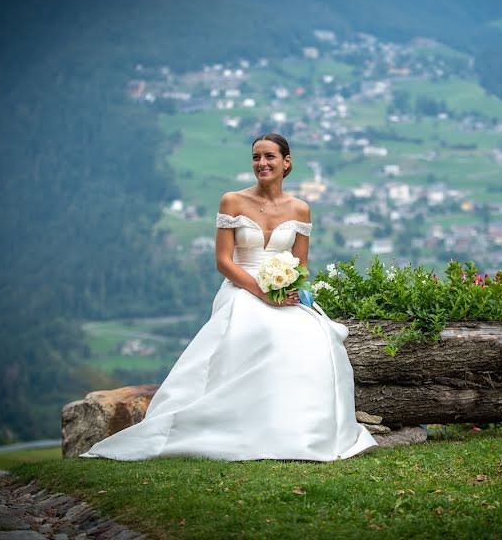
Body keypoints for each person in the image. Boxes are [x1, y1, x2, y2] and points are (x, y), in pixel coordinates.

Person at [80, 133, 377, 461]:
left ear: (286, 162)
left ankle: (302, 432)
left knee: (317, 339)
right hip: (242, 288)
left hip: (284, 294)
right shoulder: (232, 201)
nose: (261, 163)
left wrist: (290, 289)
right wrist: (262, 292)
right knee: (261, 331)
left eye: (269, 157)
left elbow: (301, 264)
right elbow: (223, 261)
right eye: (255, 157)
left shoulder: (301, 209)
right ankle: (234, 426)